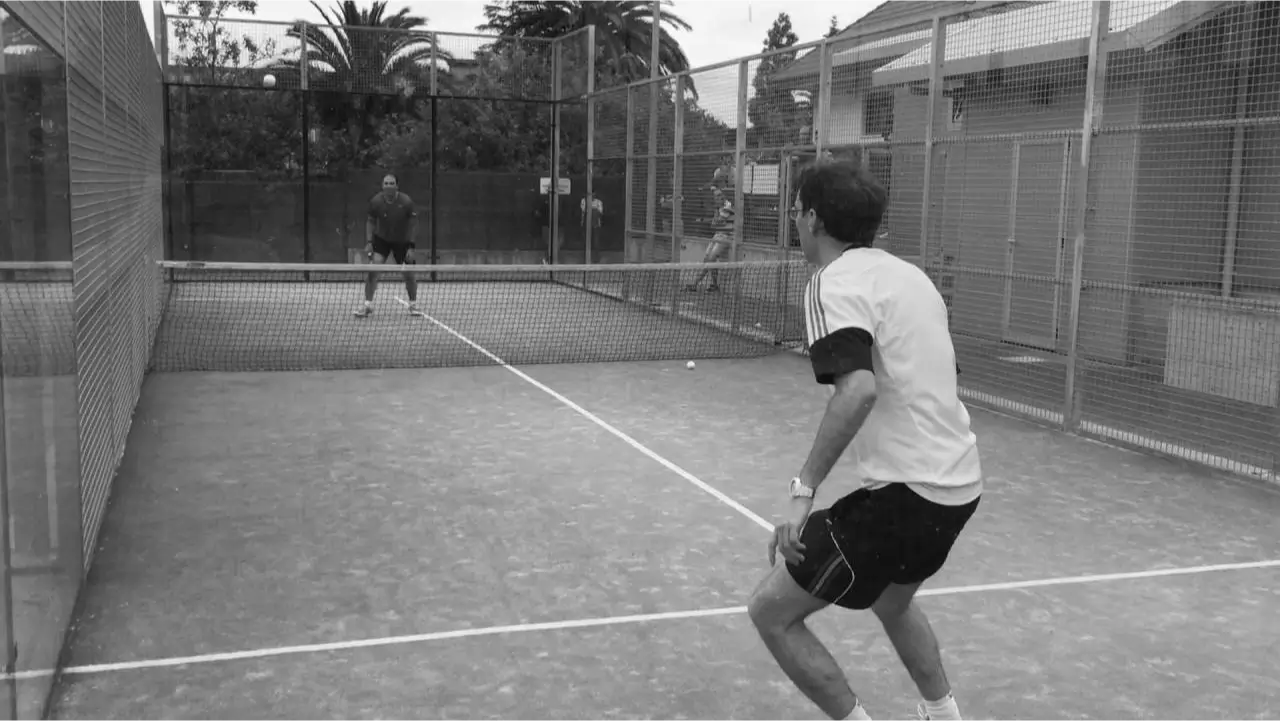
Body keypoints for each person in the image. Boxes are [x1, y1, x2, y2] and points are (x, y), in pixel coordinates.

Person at [747, 159, 983, 721]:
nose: (794, 220)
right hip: (961, 487)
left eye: (796, 209)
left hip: (906, 496)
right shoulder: (911, 277)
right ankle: (945, 716)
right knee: (892, 599)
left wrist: (803, 490)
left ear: (811, 219)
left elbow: (856, 391)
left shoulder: (831, 282)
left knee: (770, 613)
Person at [355, 174, 422, 318]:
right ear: (382, 186)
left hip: (402, 242)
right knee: (374, 270)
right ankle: (367, 306)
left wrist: (411, 246)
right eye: (386, 183)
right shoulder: (376, 201)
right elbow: (370, 222)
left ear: (397, 186)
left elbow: (414, 224)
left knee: (409, 274)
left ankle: (413, 305)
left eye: (391, 183)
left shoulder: (406, 202)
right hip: (382, 240)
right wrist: (369, 242)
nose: (388, 186)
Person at [684, 186, 734, 293]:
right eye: (716, 196)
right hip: (718, 235)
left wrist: (714, 220)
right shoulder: (718, 208)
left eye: (720, 195)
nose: (718, 198)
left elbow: (717, 222)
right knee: (707, 258)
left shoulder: (727, 206)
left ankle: (694, 284)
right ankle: (715, 285)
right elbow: (714, 224)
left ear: (724, 196)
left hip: (727, 237)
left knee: (710, 259)